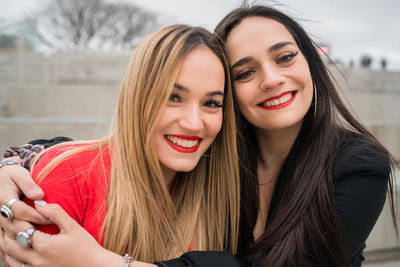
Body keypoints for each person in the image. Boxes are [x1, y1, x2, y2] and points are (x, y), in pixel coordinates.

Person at [0, 4, 396, 267]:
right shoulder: (216, 157)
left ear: (310, 61)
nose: (272, 79)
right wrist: (14, 162)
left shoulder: (358, 166)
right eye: (244, 72)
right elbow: (85, 158)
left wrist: (105, 263)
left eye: (284, 57)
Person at [0, 24, 241, 266]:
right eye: (173, 97)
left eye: (211, 103)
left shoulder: (223, 193)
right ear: (137, 95)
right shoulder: (69, 174)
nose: (193, 123)